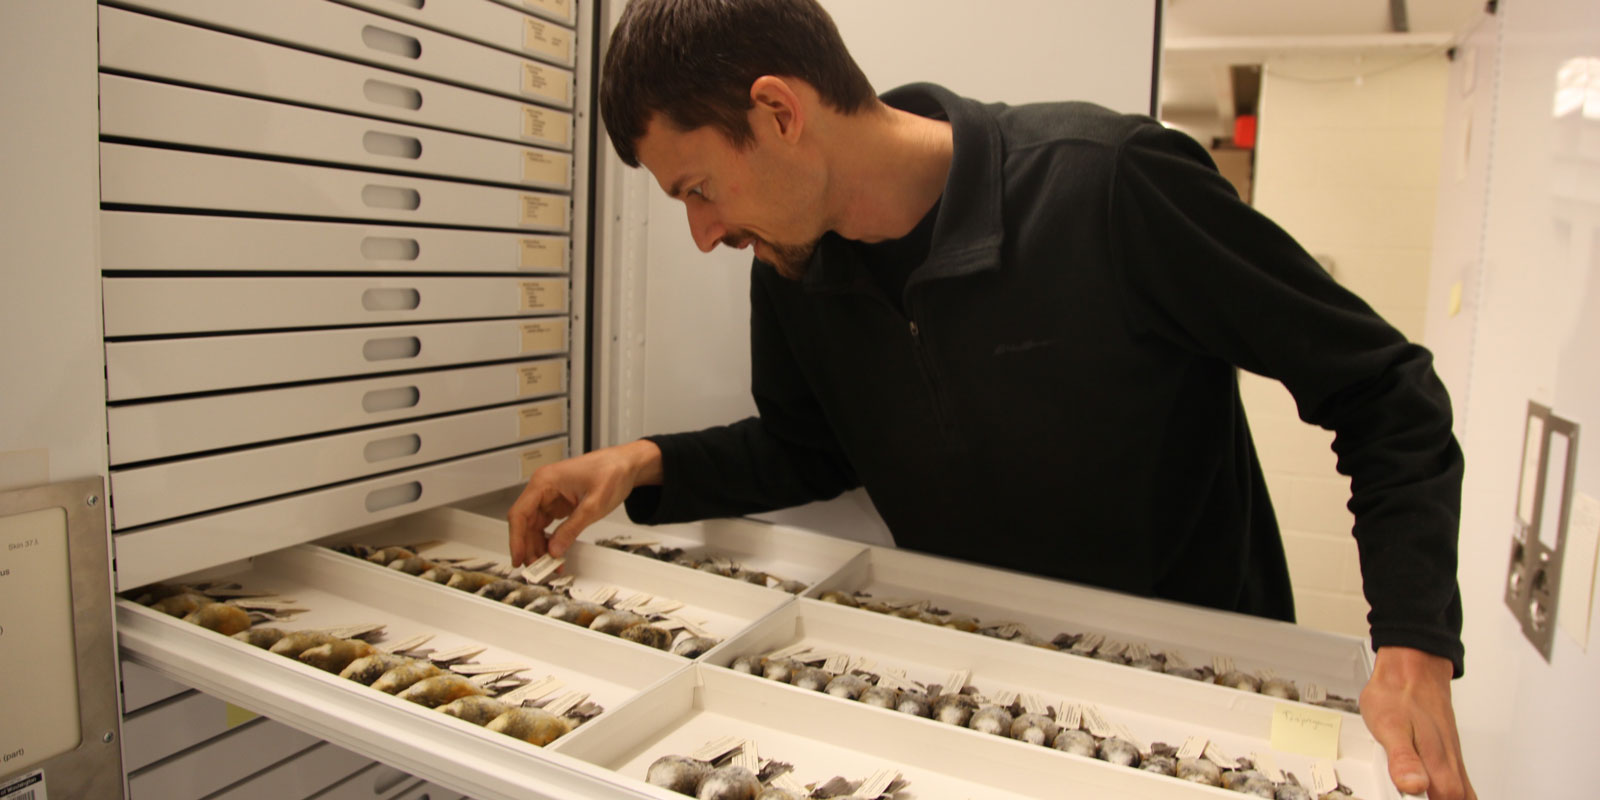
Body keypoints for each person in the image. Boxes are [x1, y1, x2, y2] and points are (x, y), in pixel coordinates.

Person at [508, 1, 1475, 796]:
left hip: (1201, 696)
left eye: (699, 188)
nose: (704, 231)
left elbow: (1383, 388)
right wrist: (644, 464)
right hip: (989, 699)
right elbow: (813, 449)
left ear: (778, 111)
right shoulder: (793, 270)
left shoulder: (1109, 183)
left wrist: (1413, 642)